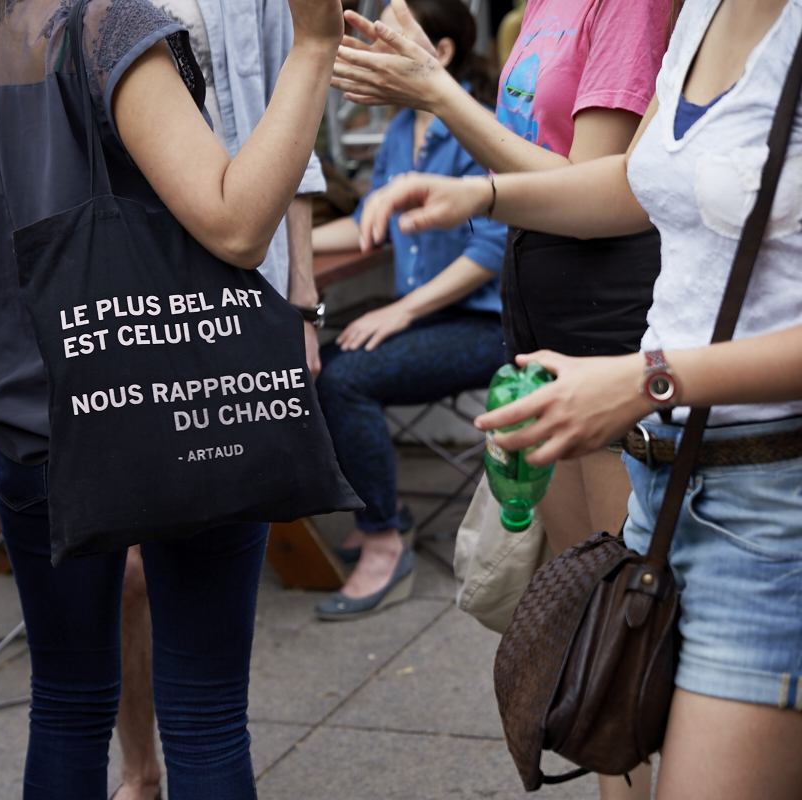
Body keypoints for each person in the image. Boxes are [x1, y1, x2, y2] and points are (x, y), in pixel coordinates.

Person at [357, 0, 802, 797]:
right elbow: (635, 185)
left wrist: (645, 378)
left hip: (774, 501)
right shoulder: (703, 12)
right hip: (668, 483)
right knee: (609, 732)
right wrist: (481, 198)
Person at [0, 0, 342, 796]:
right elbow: (237, 225)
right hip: (170, 411)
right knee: (207, 714)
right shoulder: (113, 24)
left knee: (66, 707)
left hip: (27, 425)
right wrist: (314, 45)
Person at [332, 1, 669, 794]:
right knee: (583, 622)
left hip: (612, 319)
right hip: (539, 318)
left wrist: (440, 97)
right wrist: (438, 87)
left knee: (630, 627)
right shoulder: (540, 8)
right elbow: (529, 149)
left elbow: (597, 188)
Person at [109, 0, 327, 795]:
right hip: (128, 314)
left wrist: (301, 298)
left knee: (210, 590)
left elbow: (290, 116)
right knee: (129, 574)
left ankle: (180, 751)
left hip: (243, 304)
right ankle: (140, 763)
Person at [309, 0, 507, 620]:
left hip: (488, 325)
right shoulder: (402, 130)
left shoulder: (479, 125)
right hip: (432, 316)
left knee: (344, 377)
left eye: (384, 36)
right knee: (325, 366)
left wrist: (403, 312)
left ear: (441, 54)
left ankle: (385, 539)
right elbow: (378, 223)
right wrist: (280, 240)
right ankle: (381, 512)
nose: (368, 48)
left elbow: (494, 246)